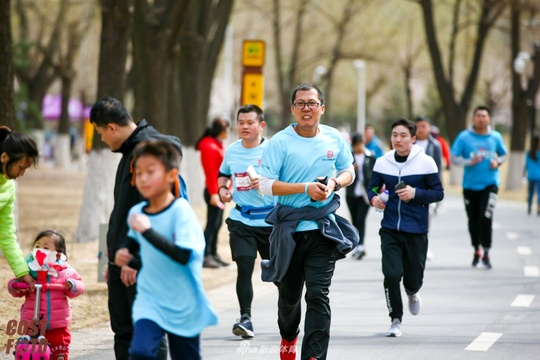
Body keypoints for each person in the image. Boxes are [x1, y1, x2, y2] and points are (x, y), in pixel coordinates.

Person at [258, 83, 359, 360]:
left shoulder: (334, 137)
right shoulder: (280, 142)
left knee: (318, 294)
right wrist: (304, 188)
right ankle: (289, 336)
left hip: (322, 229)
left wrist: (335, 183)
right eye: (300, 103)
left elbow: (348, 169)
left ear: (322, 109)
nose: (306, 108)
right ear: (292, 109)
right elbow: (265, 185)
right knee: (289, 299)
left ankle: (314, 356)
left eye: (312, 103)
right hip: (289, 230)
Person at [90, 97, 182, 360]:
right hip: (122, 262)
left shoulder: (147, 150)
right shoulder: (132, 152)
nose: (103, 141)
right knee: (124, 331)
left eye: (100, 134)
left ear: (111, 127)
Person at [115, 140, 217, 360]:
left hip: (183, 302)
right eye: (138, 172)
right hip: (150, 299)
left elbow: (184, 255)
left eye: (150, 172)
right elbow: (133, 242)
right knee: (140, 352)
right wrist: (125, 253)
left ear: (172, 175)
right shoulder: (137, 211)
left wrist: (149, 232)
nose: (142, 178)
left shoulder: (181, 212)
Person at [368, 118, 444, 337]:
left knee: (413, 278)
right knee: (391, 275)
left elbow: (438, 193)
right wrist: (374, 199)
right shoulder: (383, 162)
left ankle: (412, 292)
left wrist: (415, 193)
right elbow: (372, 187)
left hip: (417, 230)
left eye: (403, 136)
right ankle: (395, 320)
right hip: (390, 229)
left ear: (413, 138)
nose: (398, 140)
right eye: (394, 135)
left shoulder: (426, 163)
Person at [216, 104, 277, 339]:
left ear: (261, 125)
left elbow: (286, 179)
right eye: (241, 122)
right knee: (244, 268)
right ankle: (245, 318)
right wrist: (223, 189)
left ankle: (290, 315)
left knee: (278, 274)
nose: (244, 126)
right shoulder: (231, 151)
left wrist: (264, 182)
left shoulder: (273, 150)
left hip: (270, 221)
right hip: (241, 220)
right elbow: (223, 173)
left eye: (250, 122)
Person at [8, 230, 85, 360]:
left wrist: (71, 284)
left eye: (45, 247)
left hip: (57, 324)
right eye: (37, 246)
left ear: (58, 253)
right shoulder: (28, 270)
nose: (40, 250)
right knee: (30, 353)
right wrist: (15, 286)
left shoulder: (65, 271)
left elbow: (80, 285)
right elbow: (15, 287)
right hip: (32, 324)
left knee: (59, 352)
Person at [450, 106, 507, 269]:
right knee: (473, 219)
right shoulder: (464, 137)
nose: (481, 118)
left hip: (490, 184)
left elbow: (504, 154)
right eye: (478, 116)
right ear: (473, 118)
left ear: (489, 119)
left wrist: (498, 162)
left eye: (484, 116)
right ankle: (477, 249)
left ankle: (487, 252)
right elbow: (454, 157)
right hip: (470, 186)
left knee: (486, 216)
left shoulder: (495, 137)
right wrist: (469, 162)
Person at [0, 126, 39, 287]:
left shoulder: (8, 187)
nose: (22, 173)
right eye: (21, 167)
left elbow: (6, 232)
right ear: (4, 157)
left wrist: (22, 271)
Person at [195, 117, 230, 268]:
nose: (228, 132)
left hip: (220, 190)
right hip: (213, 191)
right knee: (211, 224)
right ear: (222, 130)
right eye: (227, 129)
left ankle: (214, 254)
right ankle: (205, 255)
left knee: (217, 223)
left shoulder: (217, 144)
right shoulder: (209, 146)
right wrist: (214, 193)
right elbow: (211, 173)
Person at [346, 132, 376, 260]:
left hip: (365, 195)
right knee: (353, 220)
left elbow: (375, 176)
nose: (359, 147)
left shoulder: (370, 157)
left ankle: (361, 246)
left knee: (360, 219)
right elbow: (342, 173)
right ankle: (357, 245)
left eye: (361, 144)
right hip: (352, 193)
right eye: (356, 145)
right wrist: (352, 169)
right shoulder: (349, 157)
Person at [525, 134, 540, 216]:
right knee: (539, 193)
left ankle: (529, 207)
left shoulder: (529, 152)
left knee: (530, 193)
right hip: (539, 176)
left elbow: (527, 164)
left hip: (531, 175)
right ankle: (538, 207)